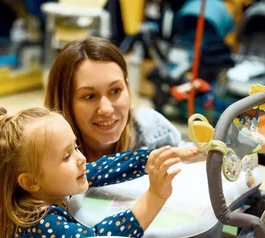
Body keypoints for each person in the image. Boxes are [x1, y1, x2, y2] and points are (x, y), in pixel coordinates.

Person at [0, 105, 198, 238]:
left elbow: (101, 168)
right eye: (66, 156)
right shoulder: (37, 222)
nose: (80, 159)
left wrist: (158, 157)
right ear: (30, 182)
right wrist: (155, 196)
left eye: (76, 147)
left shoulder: (46, 188)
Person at [45, 36, 184, 163]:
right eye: (89, 96)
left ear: (128, 88)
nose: (106, 109)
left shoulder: (156, 133)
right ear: (64, 102)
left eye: (115, 91)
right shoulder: (44, 153)